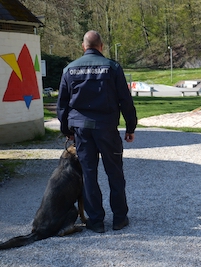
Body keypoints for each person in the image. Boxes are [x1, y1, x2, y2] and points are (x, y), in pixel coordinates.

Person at [57, 30, 137, 233]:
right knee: (115, 173)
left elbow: (63, 105)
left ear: (83, 47)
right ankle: (119, 219)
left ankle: (96, 221)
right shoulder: (113, 67)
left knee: (89, 175)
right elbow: (125, 100)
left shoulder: (69, 69)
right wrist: (130, 127)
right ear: (101, 46)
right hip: (107, 128)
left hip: (82, 130)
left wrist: (67, 130)